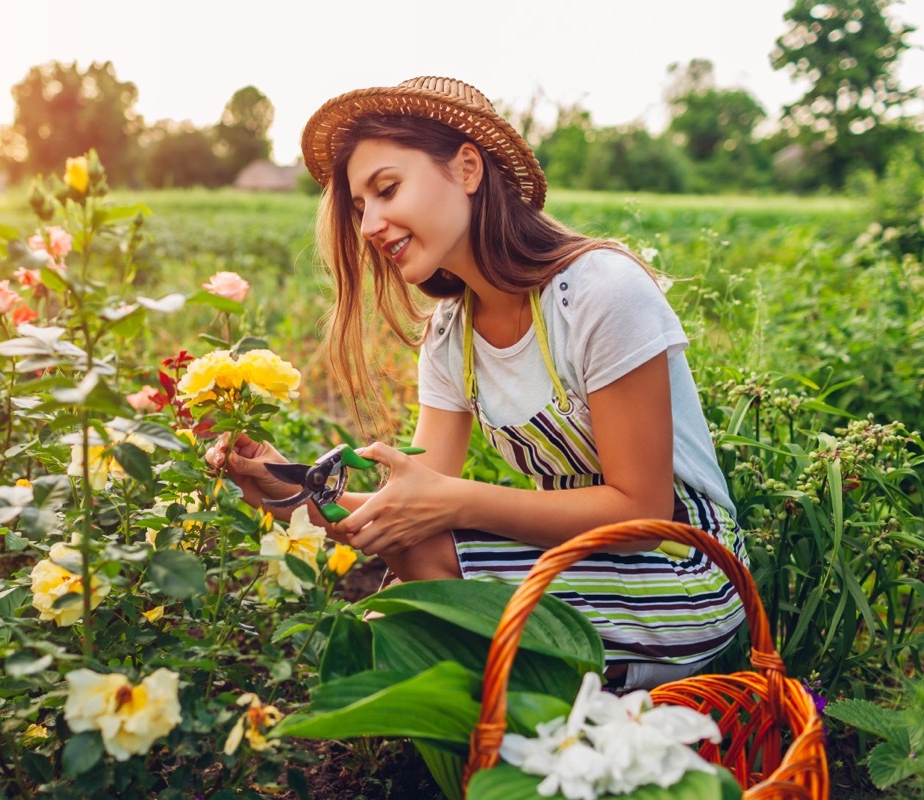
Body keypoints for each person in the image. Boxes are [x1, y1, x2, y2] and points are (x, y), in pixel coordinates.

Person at [206, 76, 746, 690]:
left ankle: (568, 714)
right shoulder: (450, 334)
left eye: (387, 189)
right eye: (360, 209)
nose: (370, 225)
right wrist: (291, 487)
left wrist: (456, 502)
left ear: (466, 168)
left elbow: (641, 506)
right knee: (412, 559)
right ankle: (569, 711)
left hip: (683, 564)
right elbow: (408, 513)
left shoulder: (600, 293)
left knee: (417, 608)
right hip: (584, 557)